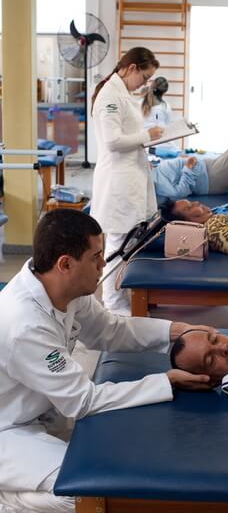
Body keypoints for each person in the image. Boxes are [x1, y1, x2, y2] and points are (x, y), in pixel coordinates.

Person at [0, 209, 210, 513]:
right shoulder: (24, 325)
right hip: (7, 431)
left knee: (111, 469)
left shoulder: (67, 290)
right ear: (65, 264)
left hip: (38, 415)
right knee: (86, 495)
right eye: (96, 257)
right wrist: (165, 382)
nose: (103, 264)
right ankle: (6, 498)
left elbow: (110, 330)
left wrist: (177, 330)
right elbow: (83, 401)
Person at [91, 47, 163, 316]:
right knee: (118, 243)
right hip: (118, 182)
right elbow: (112, 141)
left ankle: (123, 299)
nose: (144, 84)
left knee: (130, 242)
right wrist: (147, 136)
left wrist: (146, 139)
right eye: (143, 77)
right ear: (132, 68)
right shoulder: (110, 95)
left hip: (130, 178)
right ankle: (112, 303)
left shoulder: (121, 93)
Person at [152, 140, 228, 203]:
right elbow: (180, 192)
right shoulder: (156, 181)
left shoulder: (155, 169)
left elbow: (175, 171)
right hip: (211, 178)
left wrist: (182, 160)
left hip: (209, 168)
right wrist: (188, 167)